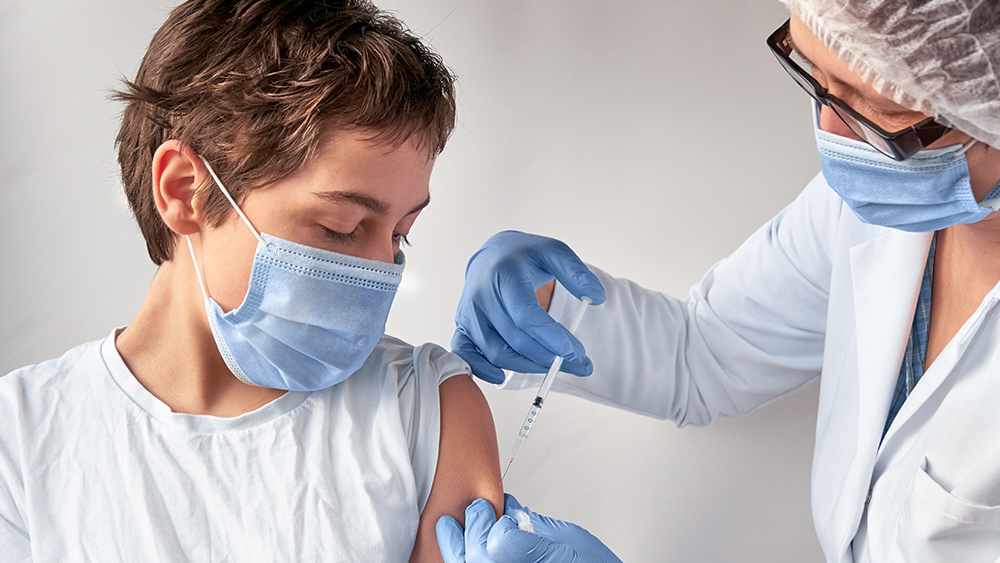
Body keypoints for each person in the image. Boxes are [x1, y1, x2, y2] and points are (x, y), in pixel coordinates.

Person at [438, 1, 1000, 562]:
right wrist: (548, 306)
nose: (829, 131)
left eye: (878, 108)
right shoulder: (872, 208)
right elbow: (705, 350)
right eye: (817, 78)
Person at [0, 1, 504, 561]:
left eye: (400, 234)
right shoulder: (21, 439)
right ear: (184, 190)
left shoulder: (426, 409)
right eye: (341, 227)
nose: (379, 269)